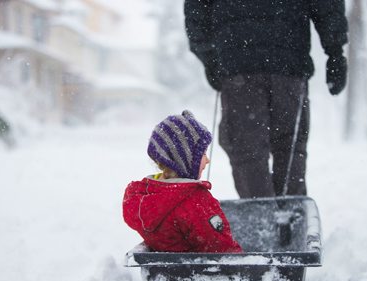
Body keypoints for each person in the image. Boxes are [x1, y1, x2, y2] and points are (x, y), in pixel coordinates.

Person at [184, 0, 348, 198]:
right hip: (288, 62)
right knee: (290, 146)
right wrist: (335, 51)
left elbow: (197, 10)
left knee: (246, 147)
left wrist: (210, 58)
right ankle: (290, 214)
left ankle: (259, 214)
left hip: (239, 66)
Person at [122, 110, 243, 253]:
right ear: (185, 161)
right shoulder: (195, 202)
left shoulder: (144, 197)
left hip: (170, 272)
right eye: (202, 153)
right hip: (204, 274)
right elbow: (222, 250)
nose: (207, 159)